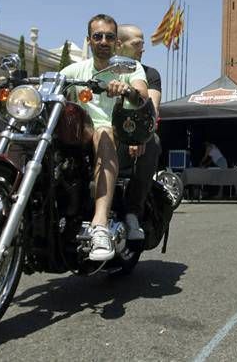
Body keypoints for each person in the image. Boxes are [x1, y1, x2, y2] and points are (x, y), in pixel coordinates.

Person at [61, 14, 148, 261]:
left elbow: (142, 95)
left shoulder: (129, 68)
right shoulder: (75, 70)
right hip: (80, 134)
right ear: (89, 40)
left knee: (103, 132)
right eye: (97, 36)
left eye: (109, 37)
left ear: (116, 43)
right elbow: (47, 85)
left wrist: (128, 89)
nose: (103, 41)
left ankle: (99, 225)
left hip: (114, 135)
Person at [117, 24, 162, 241]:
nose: (142, 48)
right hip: (102, 132)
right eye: (137, 44)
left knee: (152, 140)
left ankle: (133, 213)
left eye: (143, 44)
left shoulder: (149, 74)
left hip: (129, 135)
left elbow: (151, 109)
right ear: (119, 45)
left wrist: (139, 133)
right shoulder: (97, 69)